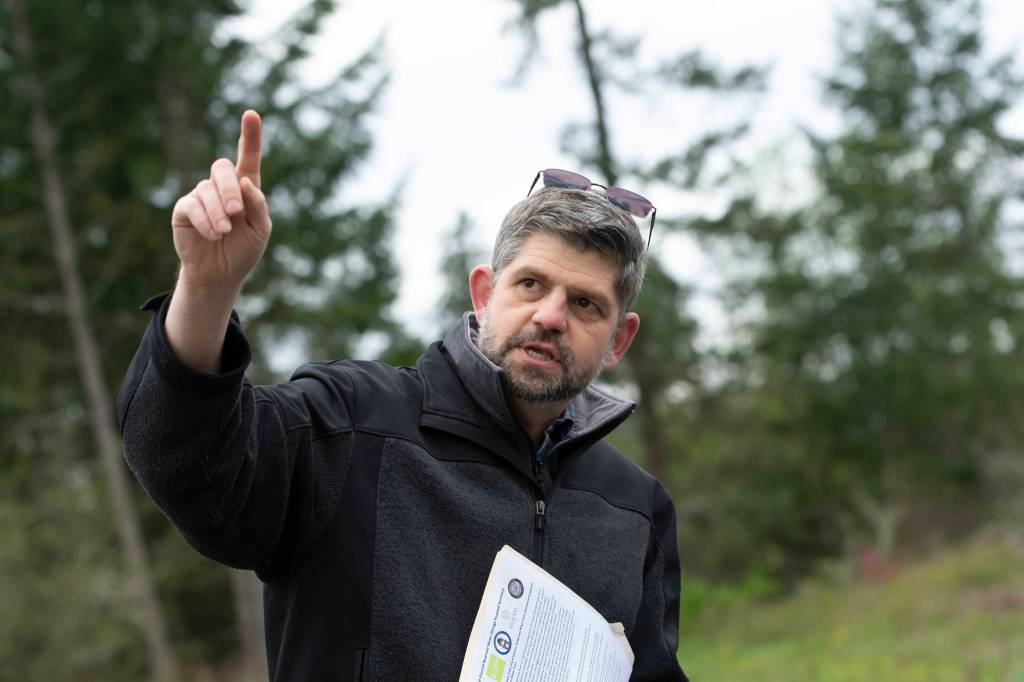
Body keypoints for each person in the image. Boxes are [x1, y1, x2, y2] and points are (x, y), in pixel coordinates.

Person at [118, 110, 689, 681]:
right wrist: (207, 289)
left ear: (619, 341)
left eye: (586, 304)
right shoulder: (348, 425)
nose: (550, 316)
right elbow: (184, 458)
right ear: (485, 294)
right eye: (531, 284)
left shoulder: (636, 508)